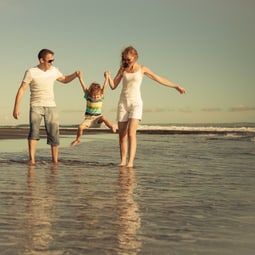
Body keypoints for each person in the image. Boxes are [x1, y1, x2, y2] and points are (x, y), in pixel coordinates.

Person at [107, 46, 186, 167]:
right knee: (122, 135)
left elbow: (158, 78)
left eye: (128, 59)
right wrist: (107, 77)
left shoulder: (142, 69)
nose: (126, 61)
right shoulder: (122, 69)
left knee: (131, 133)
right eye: (124, 59)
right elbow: (113, 86)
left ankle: (130, 162)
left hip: (136, 104)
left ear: (135, 57)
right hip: (123, 103)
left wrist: (175, 86)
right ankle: (122, 161)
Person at [13, 48, 80, 165]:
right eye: (49, 61)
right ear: (41, 60)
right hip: (36, 106)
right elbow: (22, 89)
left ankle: (55, 161)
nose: (52, 63)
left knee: (54, 134)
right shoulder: (31, 71)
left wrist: (75, 75)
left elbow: (64, 79)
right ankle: (32, 160)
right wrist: (16, 107)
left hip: (51, 106)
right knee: (34, 132)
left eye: (53, 60)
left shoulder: (54, 71)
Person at [70, 71, 116, 147]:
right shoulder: (88, 97)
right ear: (90, 94)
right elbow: (84, 87)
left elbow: (105, 87)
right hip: (88, 119)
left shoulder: (101, 96)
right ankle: (78, 139)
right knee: (80, 127)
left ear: (100, 93)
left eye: (97, 95)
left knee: (104, 117)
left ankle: (111, 126)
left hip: (97, 118)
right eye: (94, 95)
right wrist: (80, 78)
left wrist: (107, 77)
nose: (95, 97)